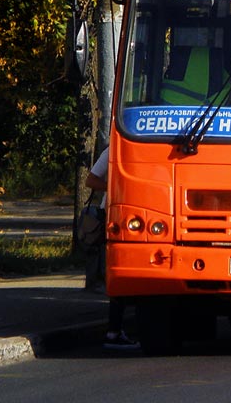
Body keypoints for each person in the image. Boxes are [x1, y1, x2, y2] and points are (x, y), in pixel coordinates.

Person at [86, 147, 140, 351]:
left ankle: (118, 329)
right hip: (114, 215)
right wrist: (117, 186)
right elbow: (90, 180)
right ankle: (114, 331)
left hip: (135, 215)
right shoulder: (113, 150)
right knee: (117, 275)